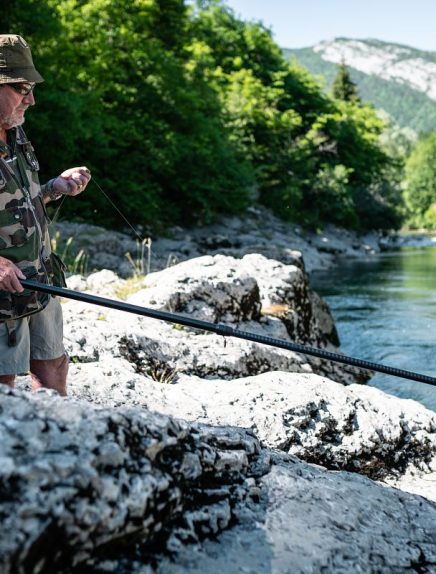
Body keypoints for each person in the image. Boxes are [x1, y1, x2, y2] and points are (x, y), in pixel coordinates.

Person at [0, 34, 91, 396]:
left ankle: (59, 440)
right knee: (3, 382)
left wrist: (55, 186)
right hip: (3, 294)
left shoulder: (16, 133)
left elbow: (18, 202)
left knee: (53, 364)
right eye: (23, 88)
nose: (32, 99)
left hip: (40, 281)